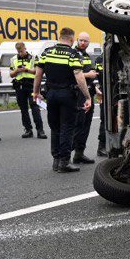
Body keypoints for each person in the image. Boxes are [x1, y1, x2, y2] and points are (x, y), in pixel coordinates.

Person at [33, 28, 92, 172]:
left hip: (51, 94)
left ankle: (56, 160)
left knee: (55, 127)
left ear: (59, 37)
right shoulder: (73, 54)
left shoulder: (47, 52)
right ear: (72, 40)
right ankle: (64, 162)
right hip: (67, 95)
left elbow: (38, 74)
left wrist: (36, 92)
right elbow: (79, 76)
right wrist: (88, 96)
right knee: (67, 127)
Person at [71, 32, 102, 166]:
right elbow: (72, 74)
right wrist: (88, 74)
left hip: (89, 93)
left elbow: (89, 79)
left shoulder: (87, 56)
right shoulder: (73, 54)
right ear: (77, 40)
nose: (83, 43)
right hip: (77, 95)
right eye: (81, 40)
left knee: (86, 126)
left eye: (86, 41)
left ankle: (79, 154)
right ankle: (66, 155)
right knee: (77, 125)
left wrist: (96, 89)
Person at [10, 41, 47, 139]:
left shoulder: (34, 57)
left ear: (25, 48)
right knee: (23, 109)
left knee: (35, 108)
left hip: (31, 85)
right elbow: (11, 74)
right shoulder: (13, 59)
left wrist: (26, 70)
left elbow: (38, 71)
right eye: (19, 51)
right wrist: (17, 71)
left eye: (22, 51)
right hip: (20, 86)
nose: (20, 53)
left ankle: (40, 130)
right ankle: (28, 130)